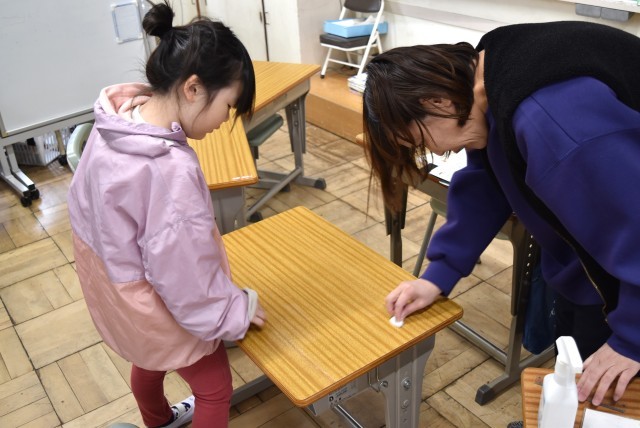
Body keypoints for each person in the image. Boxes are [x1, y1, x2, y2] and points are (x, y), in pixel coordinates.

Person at [362, 21, 640, 407]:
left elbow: (634, 221)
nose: (436, 153)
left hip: (624, 282)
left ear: (437, 103)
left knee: (607, 397)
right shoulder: (484, 77)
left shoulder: (549, 118)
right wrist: (438, 275)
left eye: (420, 142)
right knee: (574, 368)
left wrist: (631, 338)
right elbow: (488, 180)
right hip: (586, 268)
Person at [67, 2, 266, 427]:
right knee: (215, 389)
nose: (226, 121)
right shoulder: (168, 170)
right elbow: (186, 275)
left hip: (121, 294)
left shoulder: (117, 124)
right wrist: (234, 312)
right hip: (158, 306)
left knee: (149, 358)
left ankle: (157, 420)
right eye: (228, 106)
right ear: (193, 89)